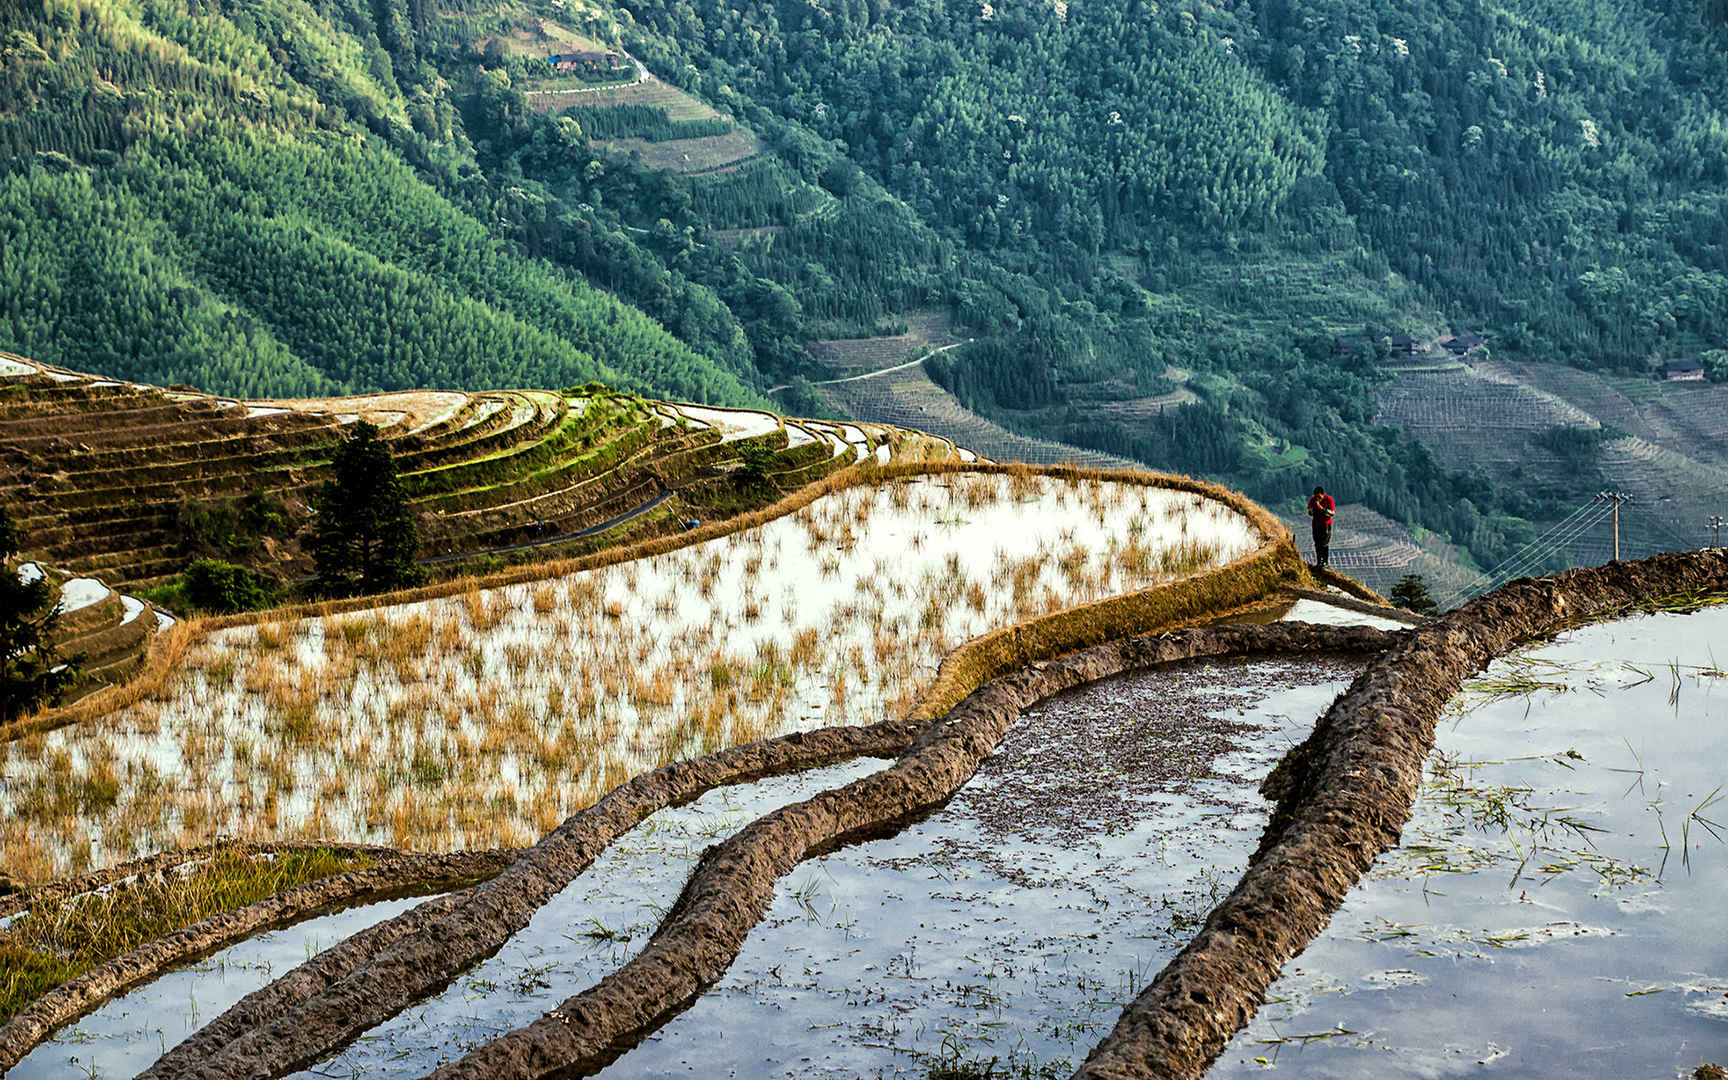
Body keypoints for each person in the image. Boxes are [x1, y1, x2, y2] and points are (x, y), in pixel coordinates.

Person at [1307, 486, 1335, 568]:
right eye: (1316, 496)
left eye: (1319, 496)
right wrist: (1314, 509)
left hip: (1326, 525)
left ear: (1323, 495)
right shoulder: (1312, 500)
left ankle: (1325, 562)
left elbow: (1332, 513)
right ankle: (1319, 562)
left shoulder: (1329, 499)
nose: (1317, 498)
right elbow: (1309, 511)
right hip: (1316, 525)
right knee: (1317, 544)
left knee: (1324, 543)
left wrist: (1321, 509)